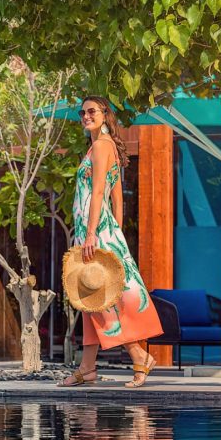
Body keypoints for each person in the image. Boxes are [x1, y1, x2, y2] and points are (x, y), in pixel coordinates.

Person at [59, 97, 163, 388]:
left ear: (105, 115)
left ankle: (139, 355)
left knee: (102, 297)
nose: (85, 116)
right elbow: (117, 199)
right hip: (101, 230)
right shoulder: (105, 147)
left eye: (91, 111)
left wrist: (93, 233)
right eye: (82, 112)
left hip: (94, 232)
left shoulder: (101, 147)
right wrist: (114, 231)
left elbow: (98, 192)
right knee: (91, 297)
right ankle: (87, 367)